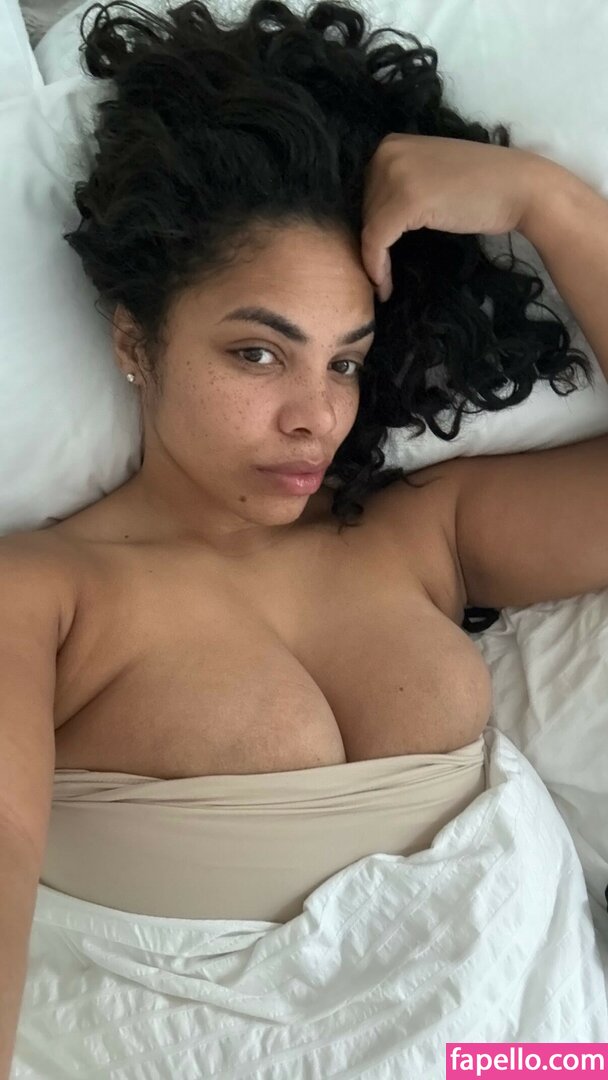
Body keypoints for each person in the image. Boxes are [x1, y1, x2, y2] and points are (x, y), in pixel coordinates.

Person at [4, 0, 608, 1070]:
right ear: (135, 341)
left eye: (344, 361)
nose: (316, 416)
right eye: (257, 353)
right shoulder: (41, 594)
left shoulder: (416, 536)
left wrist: (546, 203)